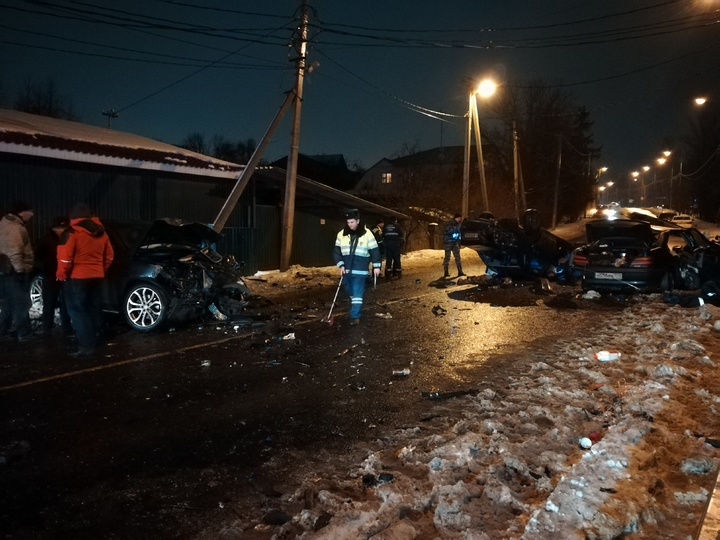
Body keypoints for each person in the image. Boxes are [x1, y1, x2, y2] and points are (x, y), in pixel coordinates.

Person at [57, 203, 114, 357]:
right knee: (93, 308)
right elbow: (109, 256)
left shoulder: (71, 233)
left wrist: (61, 275)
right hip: (97, 276)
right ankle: (96, 339)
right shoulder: (102, 233)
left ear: (73, 218)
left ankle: (86, 346)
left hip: (77, 278)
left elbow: (64, 259)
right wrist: (100, 269)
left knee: (78, 312)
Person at [333, 208, 381, 325]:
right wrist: (340, 264)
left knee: (357, 293)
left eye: (352, 222)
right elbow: (336, 251)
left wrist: (376, 266)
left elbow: (375, 250)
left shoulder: (367, 234)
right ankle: (355, 306)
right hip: (347, 270)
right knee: (350, 291)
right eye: (348, 222)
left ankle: (355, 316)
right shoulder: (341, 234)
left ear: (358, 221)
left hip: (360, 269)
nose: (350, 225)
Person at [0, 200, 35, 342]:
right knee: (22, 304)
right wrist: (20, 270)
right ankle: (24, 334)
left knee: (8, 303)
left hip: (6, 270)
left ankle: (3, 331)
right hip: (15, 271)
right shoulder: (15, 228)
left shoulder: (4, 224)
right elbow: (14, 251)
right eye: (30, 211)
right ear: (22, 212)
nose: (32, 214)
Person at [34, 217, 73, 337]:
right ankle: (47, 328)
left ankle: (67, 328)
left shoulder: (69, 238)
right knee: (49, 302)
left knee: (66, 303)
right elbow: (37, 257)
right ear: (53, 228)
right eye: (59, 228)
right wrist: (44, 268)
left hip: (65, 275)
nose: (61, 230)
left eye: (63, 228)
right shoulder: (46, 240)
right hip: (50, 275)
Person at [443, 213, 465, 278]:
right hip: (448, 242)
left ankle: (460, 271)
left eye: (460, 218)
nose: (459, 219)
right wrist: (454, 229)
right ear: (455, 218)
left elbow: (459, 232)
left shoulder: (458, 224)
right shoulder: (450, 223)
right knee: (447, 257)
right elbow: (448, 231)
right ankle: (446, 272)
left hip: (455, 243)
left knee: (457, 257)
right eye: (458, 218)